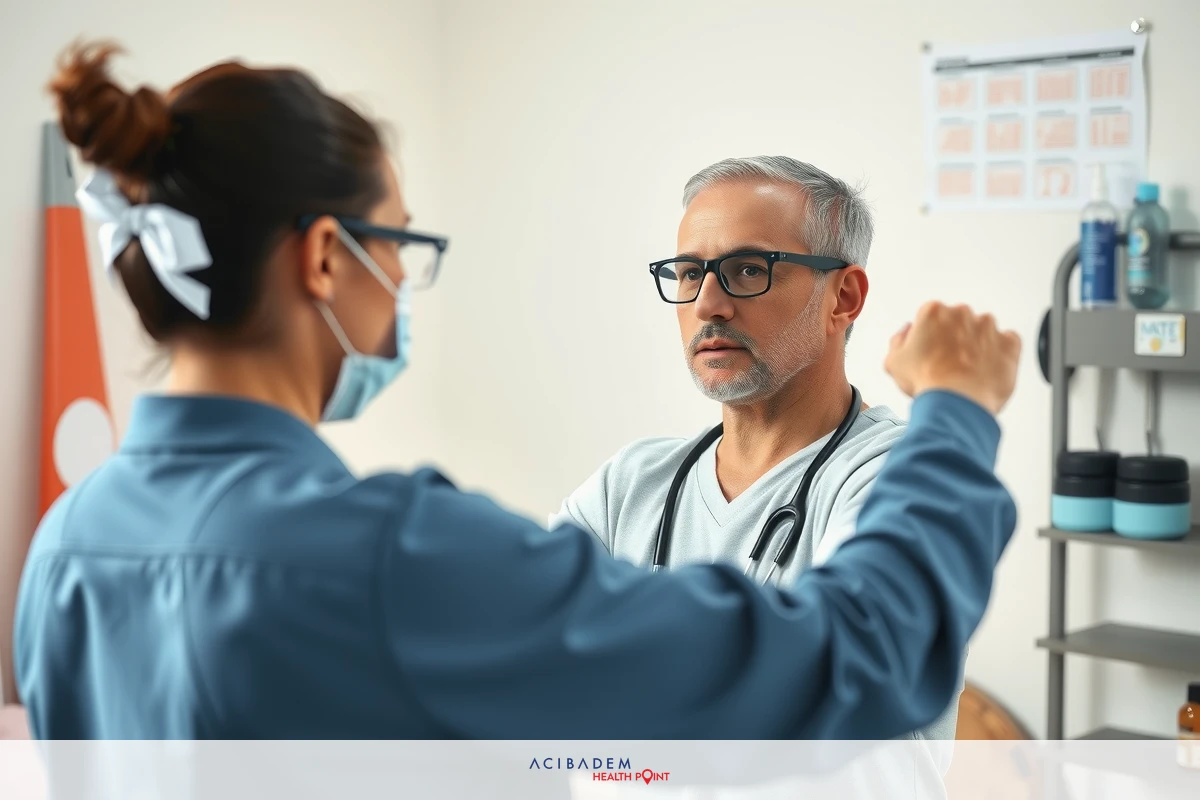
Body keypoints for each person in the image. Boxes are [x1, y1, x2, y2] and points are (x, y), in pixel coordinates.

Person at [15, 42, 1021, 740]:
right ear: (326, 258)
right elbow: (861, 654)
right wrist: (961, 408)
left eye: (749, 269)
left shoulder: (63, 544)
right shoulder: (394, 552)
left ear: (846, 295)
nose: (404, 283)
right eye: (398, 246)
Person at [551, 157, 962, 753]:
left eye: (748, 270)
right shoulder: (627, 488)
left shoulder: (899, 483)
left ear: (842, 297)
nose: (707, 304)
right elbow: (528, 664)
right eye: (690, 273)